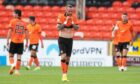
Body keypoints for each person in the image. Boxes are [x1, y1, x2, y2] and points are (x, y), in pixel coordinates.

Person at [57, 4, 79, 81]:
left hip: (70, 40)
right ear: (65, 10)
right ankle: (64, 75)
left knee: (68, 59)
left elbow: (77, 28)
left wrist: (72, 23)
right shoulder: (61, 16)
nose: (70, 12)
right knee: (63, 56)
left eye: (71, 11)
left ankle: (65, 74)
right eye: (68, 10)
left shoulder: (74, 17)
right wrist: (65, 21)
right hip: (62, 39)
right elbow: (58, 28)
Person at [7, 9, 28, 75]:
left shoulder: (13, 21)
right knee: (19, 57)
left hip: (13, 41)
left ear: (17, 14)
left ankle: (12, 65)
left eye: (14, 13)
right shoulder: (24, 23)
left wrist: (7, 40)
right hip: (21, 42)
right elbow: (26, 33)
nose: (13, 14)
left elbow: (10, 31)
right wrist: (27, 42)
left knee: (11, 55)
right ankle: (17, 71)